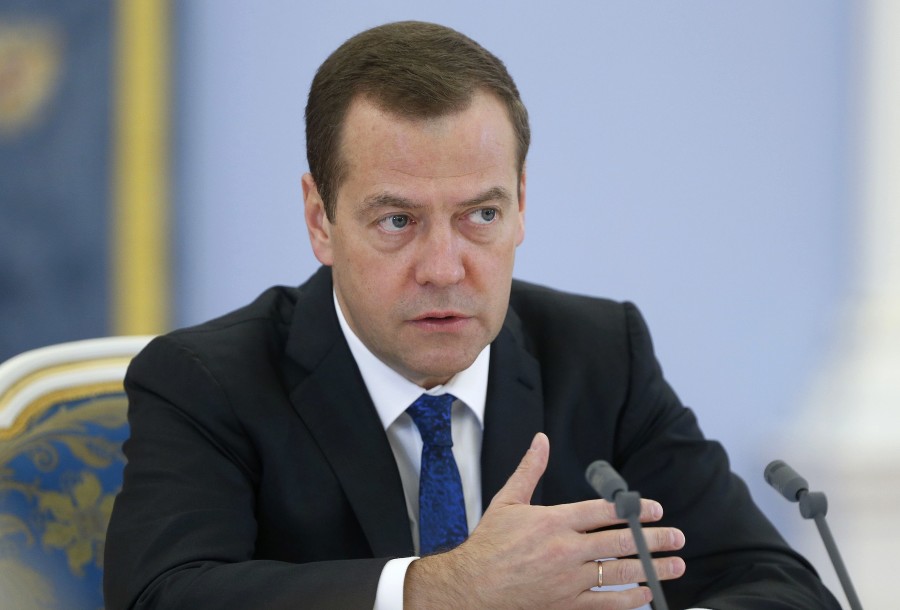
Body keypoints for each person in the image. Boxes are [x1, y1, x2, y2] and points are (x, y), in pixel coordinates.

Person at [104, 21, 840, 609]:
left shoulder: (600, 356)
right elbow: (161, 595)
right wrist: (440, 590)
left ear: (521, 205)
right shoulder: (208, 382)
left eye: (480, 215)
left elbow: (777, 584)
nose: (444, 267)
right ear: (320, 219)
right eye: (397, 221)